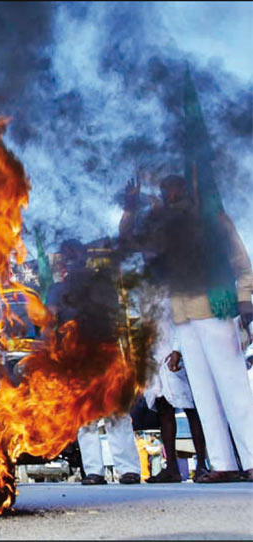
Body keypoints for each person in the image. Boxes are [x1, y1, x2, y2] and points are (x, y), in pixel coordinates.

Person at [120, 174, 253, 483]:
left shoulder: (215, 221)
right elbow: (130, 241)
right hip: (182, 318)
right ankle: (224, 464)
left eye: (175, 188)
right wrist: (130, 208)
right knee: (204, 397)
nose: (169, 194)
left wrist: (245, 300)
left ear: (190, 189)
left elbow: (242, 264)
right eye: (166, 191)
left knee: (234, 390)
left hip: (216, 309)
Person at [46, 238, 141, 485]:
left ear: (83, 256)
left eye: (74, 255)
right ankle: (93, 472)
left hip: (105, 350)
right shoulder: (57, 289)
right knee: (84, 415)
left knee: (115, 411)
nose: (70, 260)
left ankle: (128, 469)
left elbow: (115, 315)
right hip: (75, 356)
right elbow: (49, 318)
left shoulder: (102, 283)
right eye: (66, 256)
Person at [142, 295, 210, 483]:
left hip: (179, 351)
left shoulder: (175, 284)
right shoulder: (145, 291)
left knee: (192, 409)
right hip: (156, 355)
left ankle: (202, 465)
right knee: (164, 410)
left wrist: (176, 350)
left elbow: (183, 320)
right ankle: (171, 468)